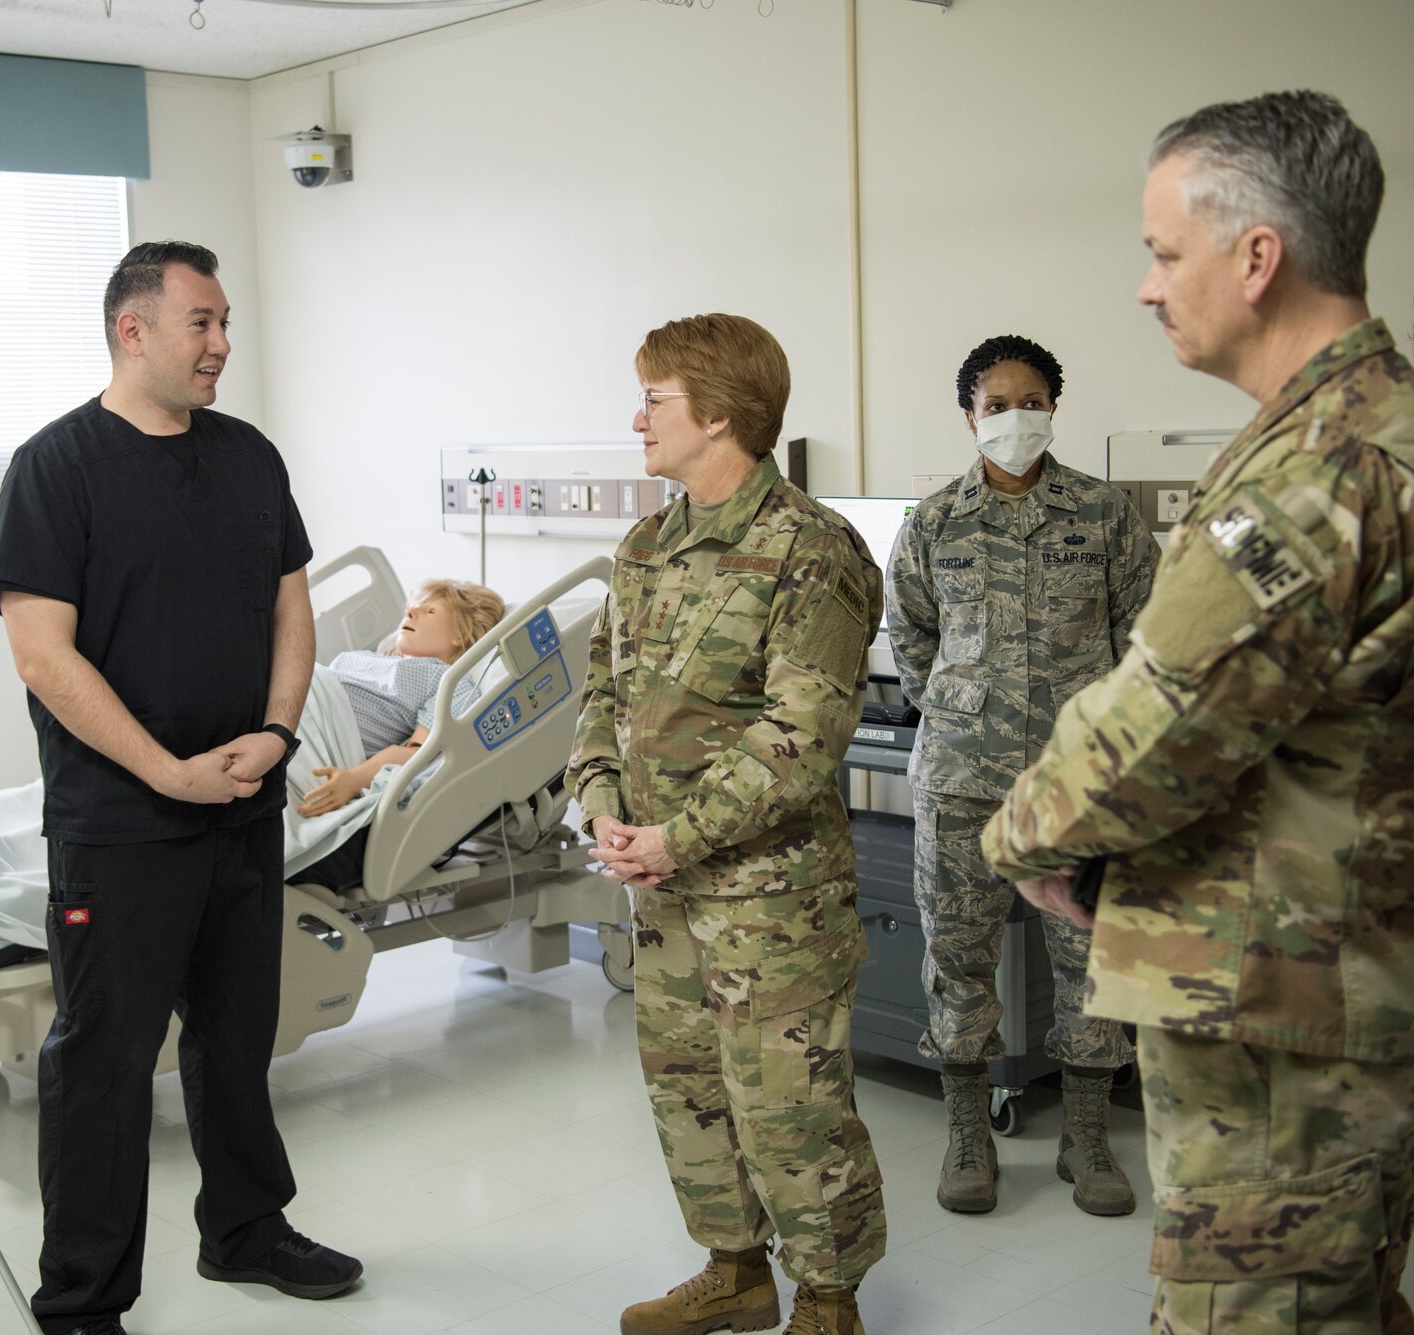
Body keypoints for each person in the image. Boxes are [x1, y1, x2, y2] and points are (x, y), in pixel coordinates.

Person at [981, 90, 1414, 1333]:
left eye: (1163, 254)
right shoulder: (1377, 428)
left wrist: (1021, 840)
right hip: (1346, 978)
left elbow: (1151, 728)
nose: (1146, 287)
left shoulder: (1312, 472)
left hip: (1275, 1012)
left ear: (1255, 258)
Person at [0, 240, 361, 1335]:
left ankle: (245, 1230)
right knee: (102, 1062)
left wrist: (278, 732)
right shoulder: (55, 468)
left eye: (224, 322)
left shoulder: (247, 456)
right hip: (119, 822)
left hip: (244, 805)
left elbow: (291, 610)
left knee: (236, 1036)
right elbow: (41, 656)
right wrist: (163, 771)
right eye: (200, 324)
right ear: (131, 329)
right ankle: (83, 1298)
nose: (222, 346)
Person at [570, 313, 887, 1335]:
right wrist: (603, 807)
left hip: (769, 900)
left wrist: (678, 837)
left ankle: (828, 1303)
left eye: (653, 401)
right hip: (660, 889)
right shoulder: (645, 544)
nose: (636, 419)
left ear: (717, 412)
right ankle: (735, 1272)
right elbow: (598, 696)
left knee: (788, 1108)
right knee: (686, 1090)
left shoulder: (811, 547)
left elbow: (802, 734)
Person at [884, 335, 1158, 1216]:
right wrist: (965, 716)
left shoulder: (1107, 514)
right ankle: (968, 1135)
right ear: (969, 414)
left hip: (1080, 785)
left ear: (1054, 408)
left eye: (1029, 400)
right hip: (961, 779)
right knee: (957, 958)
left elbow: (1143, 642)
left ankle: (1086, 1138)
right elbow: (912, 639)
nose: (1014, 416)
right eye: (995, 403)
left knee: (1090, 959)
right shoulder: (932, 522)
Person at [294, 577, 505, 818]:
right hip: (302, 691)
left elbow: (416, 755)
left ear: (460, 634)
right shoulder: (370, 658)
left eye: (430, 610)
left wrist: (354, 780)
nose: (411, 612)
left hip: (315, 725)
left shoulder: (450, 682)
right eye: (411, 608)